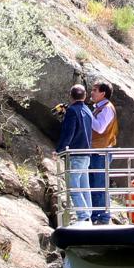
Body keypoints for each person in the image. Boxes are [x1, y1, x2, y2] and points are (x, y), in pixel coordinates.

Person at [54, 85, 94, 226]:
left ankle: (83, 216)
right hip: (86, 153)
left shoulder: (72, 111)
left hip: (76, 154)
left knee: (72, 187)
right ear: (85, 95)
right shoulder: (88, 111)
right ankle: (88, 214)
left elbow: (69, 133)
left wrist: (59, 150)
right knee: (84, 187)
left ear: (70, 96)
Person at [89, 80, 118, 225]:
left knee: (99, 184)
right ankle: (96, 216)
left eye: (95, 90)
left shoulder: (106, 108)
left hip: (101, 152)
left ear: (103, 93)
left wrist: (87, 115)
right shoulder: (99, 108)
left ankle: (103, 217)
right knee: (94, 184)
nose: (92, 92)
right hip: (96, 151)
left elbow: (100, 128)